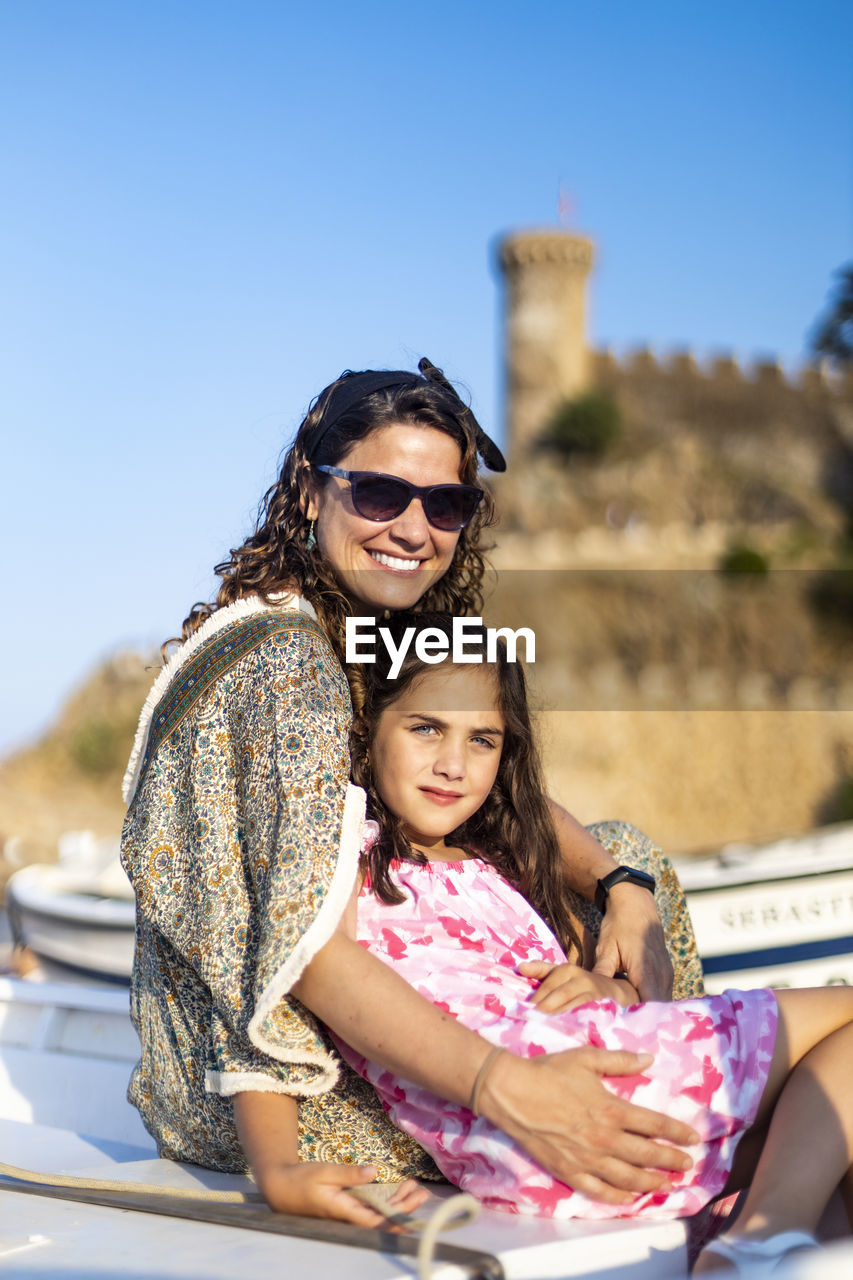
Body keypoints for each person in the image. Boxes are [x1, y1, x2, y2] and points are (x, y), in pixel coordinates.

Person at [121, 358, 700, 1227]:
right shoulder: (286, 664)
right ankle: (652, 1112)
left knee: (625, 853)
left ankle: (635, 1082)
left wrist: (622, 889)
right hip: (266, 1090)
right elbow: (297, 947)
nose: (413, 527)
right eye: (380, 494)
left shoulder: (370, 627)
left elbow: (500, 798)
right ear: (310, 492)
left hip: (328, 1030)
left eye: (446, 504)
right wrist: (505, 1088)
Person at [335, 612, 853, 1268]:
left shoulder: (496, 866)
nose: (452, 765)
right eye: (425, 728)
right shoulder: (348, 847)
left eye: (483, 741)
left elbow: (588, 977)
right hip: (565, 1104)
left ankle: (764, 1238)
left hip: (519, 1166)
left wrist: (603, 982)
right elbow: (294, 979)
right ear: (366, 728)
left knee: (820, 1133)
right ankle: (758, 1239)